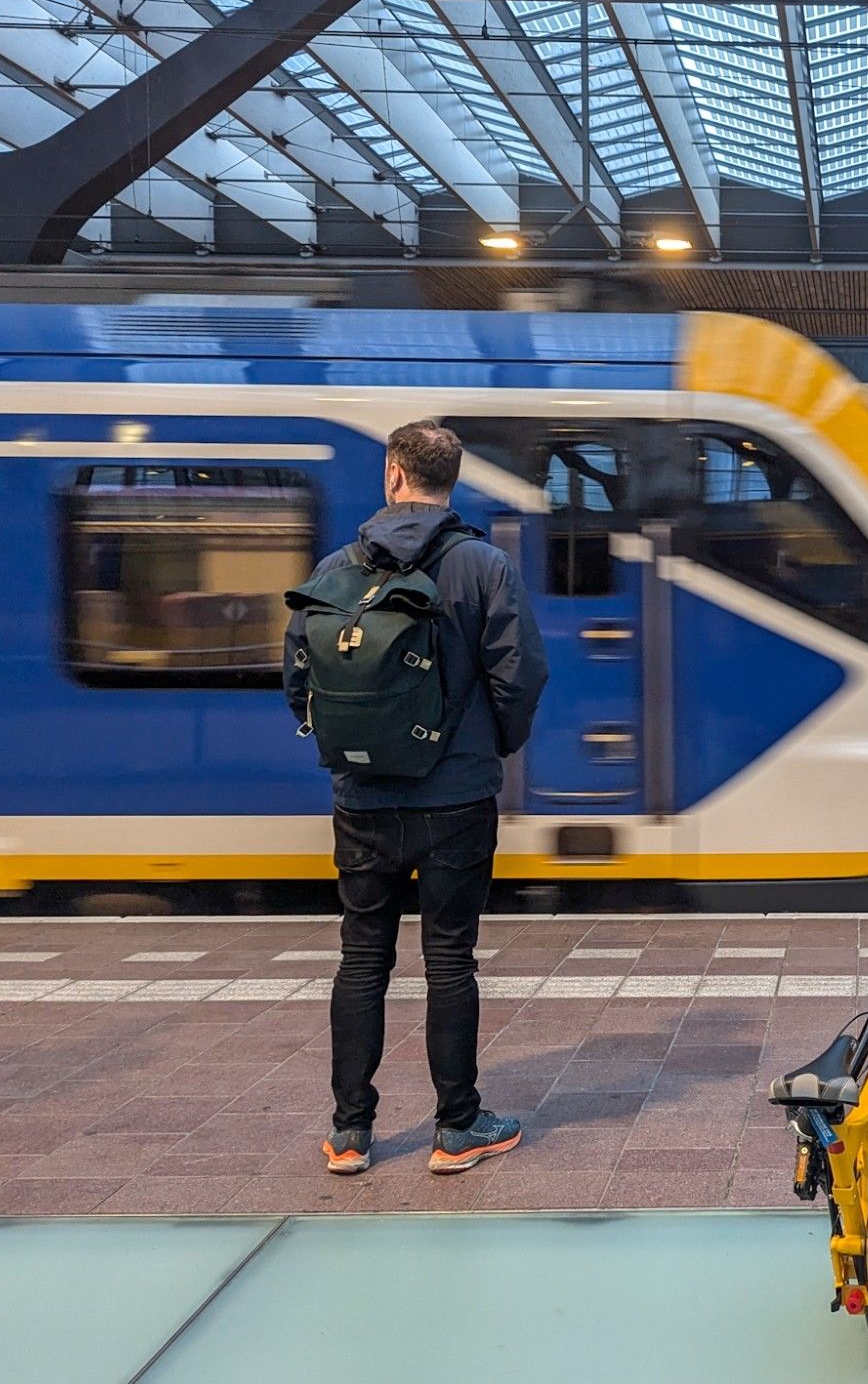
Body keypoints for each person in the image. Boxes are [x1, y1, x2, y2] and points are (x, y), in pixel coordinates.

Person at [285, 421, 549, 1176]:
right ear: (450, 480)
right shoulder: (483, 566)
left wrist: (345, 748)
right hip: (457, 799)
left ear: (394, 474)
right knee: (449, 959)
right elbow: (520, 677)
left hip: (362, 798)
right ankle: (457, 1127)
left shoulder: (336, 568)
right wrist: (482, 748)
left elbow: (298, 678)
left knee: (362, 957)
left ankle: (349, 1132)